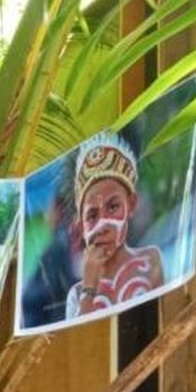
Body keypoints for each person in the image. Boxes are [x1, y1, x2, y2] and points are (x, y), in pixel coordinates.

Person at [65, 132, 163, 319]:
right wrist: (89, 288)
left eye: (113, 207)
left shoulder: (151, 260)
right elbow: (80, 339)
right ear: (81, 227)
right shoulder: (76, 295)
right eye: (92, 215)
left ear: (131, 204)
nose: (103, 225)